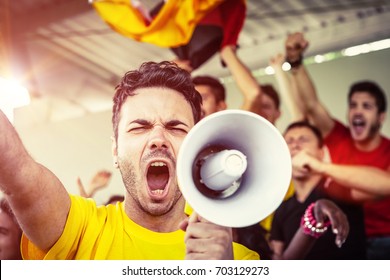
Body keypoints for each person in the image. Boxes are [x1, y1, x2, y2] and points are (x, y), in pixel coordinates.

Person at [0, 61, 259, 260]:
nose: (159, 138)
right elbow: (18, 171)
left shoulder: (241, 259)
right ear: (115, 150)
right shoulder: (81, 229)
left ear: (197, 147)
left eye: (176, 127)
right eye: (139, 127)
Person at [284, 32, 390, 259]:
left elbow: (386, 185)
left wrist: (320, 166)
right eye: (353, 105)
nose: (357, 111)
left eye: (367, 106)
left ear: (381, 117)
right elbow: (311, 105)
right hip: (345, 233)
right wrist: (295, 62)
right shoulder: (339, 135)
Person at [270, 121, 365, 259]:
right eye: (289, 141)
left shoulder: (343, 190)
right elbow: (278, 259)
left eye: (304, 140)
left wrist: (320, 166)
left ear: (321, 152)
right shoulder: (281, 209)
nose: (295, 144)